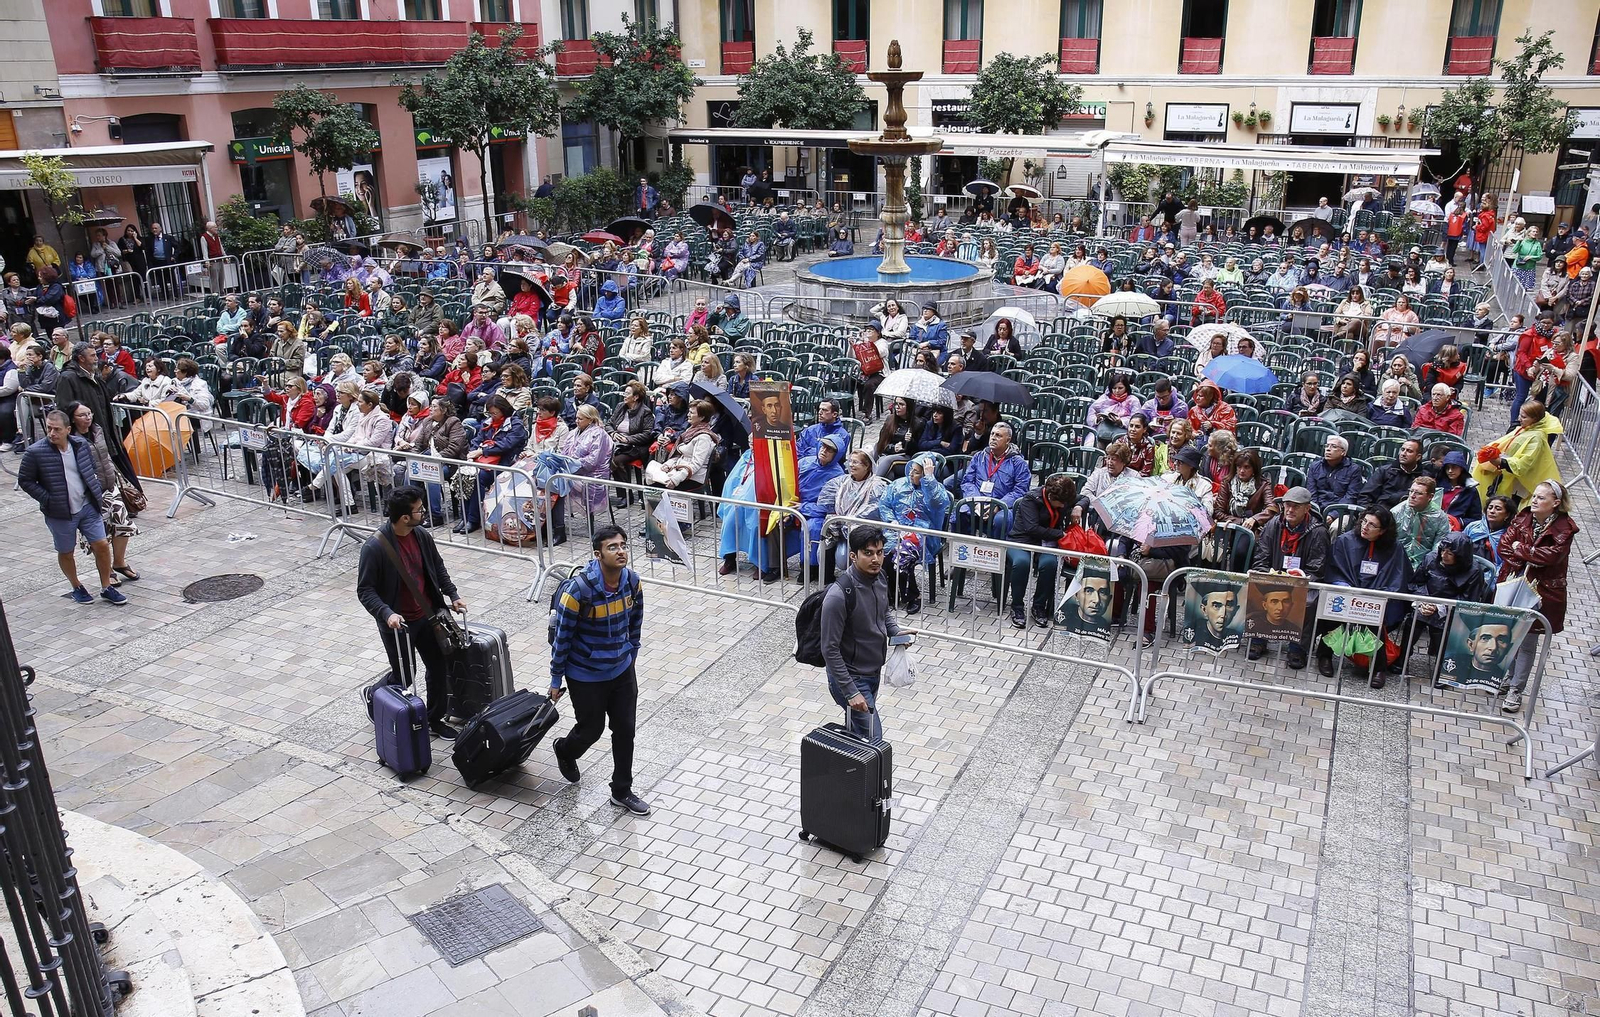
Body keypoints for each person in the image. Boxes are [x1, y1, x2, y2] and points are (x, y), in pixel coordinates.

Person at [546, 525, 648, 814]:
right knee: (591, 730)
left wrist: (632, 653)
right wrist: (556, 678)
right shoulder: (579, 591)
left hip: (622, 670)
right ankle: (565, 749)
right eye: (612, 547)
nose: (620, 551)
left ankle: (621, 790)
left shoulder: (632, 582)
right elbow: (562, 637)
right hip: (585, 675)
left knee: (625, 729)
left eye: (623, 545)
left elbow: (635, 621)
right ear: (598, 554)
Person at [17, 409, 126, 606]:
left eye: (57, 429)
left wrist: (93, 490)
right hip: (60, 513)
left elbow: (90, 467)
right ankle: (76, 586)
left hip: (87, 507)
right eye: (49, 428)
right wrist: (48, 499)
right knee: (66, 551)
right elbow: (25, 480)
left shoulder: (81, 445)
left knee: (101, 545)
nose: (52, 433)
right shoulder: (35, 452)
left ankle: (106, 586)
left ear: (68, 429)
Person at [1494, 481, 1575, 713]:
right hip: (1513, 582)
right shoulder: (1523, 517)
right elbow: (1505, 546)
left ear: (1556, 503)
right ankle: (1508, 678)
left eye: (1541, 498)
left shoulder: (1564, 528)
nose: (1535, 501)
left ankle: (1516, 690)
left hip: (1541, 592)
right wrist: (1527, 555)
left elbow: (1551, 557)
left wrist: (1522, 549)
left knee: (1527, 641)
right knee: (1510, 635)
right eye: (1535, 496)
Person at [820, 525, 904, 744]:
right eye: (868, 553)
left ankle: (846, 776)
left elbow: (883, 610)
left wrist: (896, 632)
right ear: (853, 556)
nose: (875, 559)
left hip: (872, 672)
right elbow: (829, 649)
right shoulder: (839, 596)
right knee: (873, 742)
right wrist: (850, 692)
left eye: (879, 552)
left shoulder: (880, 577)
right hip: (851, 678)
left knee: (858, 738)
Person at [1322, 505, 1409, 684]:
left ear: (1383, 531)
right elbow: (1334, 569)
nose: (1365, 527)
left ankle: (1378, 667)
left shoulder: (1395, 548)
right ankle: (1324, 656)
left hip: (1374, 599)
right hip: (1347, 592)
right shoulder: (1345, 541)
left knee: (1375, 620)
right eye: (1364, 521)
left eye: (1371, 525)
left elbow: (1398, 578)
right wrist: (1344, 586)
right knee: (1333, 616)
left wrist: (1377, 596)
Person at [1247, 487, 1328, 667]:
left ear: (1307, 508)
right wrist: (1267, 575)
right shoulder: (1273, 524)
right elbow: (1261, 557)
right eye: (1287, 506)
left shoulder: (1318, 531)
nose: (1290, 510)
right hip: (1274, 577)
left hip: (1302, 581)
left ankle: (1297, 648)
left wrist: (1300, 578)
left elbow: (1317, 569)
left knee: (1307, 602)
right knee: (1257, 590)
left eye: (1295, 507)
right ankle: (1258, 640)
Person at [1471, 400, 1563, 503]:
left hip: (1521, 483)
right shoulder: (1527, 428)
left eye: (1524, 417)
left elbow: (1523, 464)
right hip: (1513, 478)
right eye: (1520, 415)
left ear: (1535, 419)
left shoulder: (1537, 437)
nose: (1519, 419)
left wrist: (1500, 461)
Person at [1392, 476, 1450, 568]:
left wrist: (1428, 564)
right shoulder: (1397, 511)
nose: (1412, 496)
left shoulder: (1440, 517)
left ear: (1430, 497)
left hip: (1425, 564)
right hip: (1396, 560)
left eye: (1418, 493)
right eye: (1411, 491)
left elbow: (1439, 546)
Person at [1306, 435, 1363, 513]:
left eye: (1334, 446)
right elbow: (1311, 493)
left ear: (1343, 452)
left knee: (1336, 525)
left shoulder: (1353, 470)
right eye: (1327, 446)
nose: (1328, 449)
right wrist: (1316, 512)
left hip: (1341, 511)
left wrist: (1334, 514)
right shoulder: (1315, 466)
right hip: (1316, 509)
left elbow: (1351, 497)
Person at [1189, 580, 1240, 652]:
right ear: (1204, 609)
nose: (1223, 614)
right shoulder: (1194, 633)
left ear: (1236, 610)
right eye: (1216, 606)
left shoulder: (1235, 635)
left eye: (1229, 605)